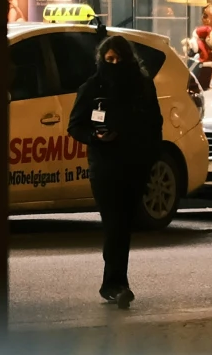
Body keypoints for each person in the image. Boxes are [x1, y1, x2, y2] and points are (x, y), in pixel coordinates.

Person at [68, 33, 164, 307]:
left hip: (135, 165)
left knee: (124, 225)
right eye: (108, 59)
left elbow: (154, 123)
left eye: (118, 59)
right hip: (106, 167)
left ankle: (117, 282)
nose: (113, 64)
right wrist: (95, 137)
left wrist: (150, 156)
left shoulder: (142, 86)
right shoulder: (93, 87)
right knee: (115, 226)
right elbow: (75, 125)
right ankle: (114, 284)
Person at [191, 3, 212, 88]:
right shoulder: (207, 30)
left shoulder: (208, 32)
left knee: (204, 81)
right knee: (202, 82)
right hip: (204, 62)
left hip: (206, 62)